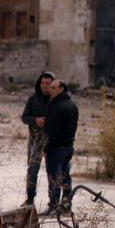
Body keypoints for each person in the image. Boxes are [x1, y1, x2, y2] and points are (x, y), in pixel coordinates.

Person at [42, 77, 79, 214]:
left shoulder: (57, 106)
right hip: (68, 146)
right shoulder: (72, 105)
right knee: (65, 176)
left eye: (53, 88)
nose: (50, 90)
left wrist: (46, 148)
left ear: (61, 89)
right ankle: (66, 204)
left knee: (55, 177)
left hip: (56, 148)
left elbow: (52, 131)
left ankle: (54, 206)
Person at [21, 71, 54, 206]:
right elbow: (24, 117)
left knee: (53, 171)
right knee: (32, 169)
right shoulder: (33, 99)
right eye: (42, 83)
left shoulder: (56, 100)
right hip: (35, 140)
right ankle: (29, 199)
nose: (45, 86)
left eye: (48, 83)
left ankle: (54, 202)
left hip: (52, 141)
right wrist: (35, 120)